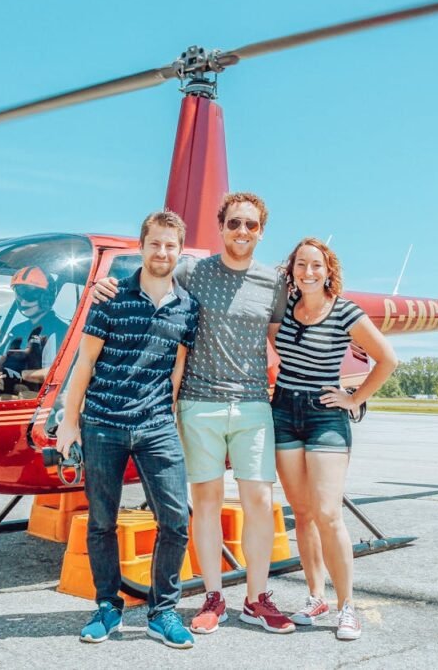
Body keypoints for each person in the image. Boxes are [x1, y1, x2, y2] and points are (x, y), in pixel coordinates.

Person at [93, 192, 295, 635]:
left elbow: (284, 341)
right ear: (221, 228)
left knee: (259, 501)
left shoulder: (273, 283)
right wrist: (105, 285)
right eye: (234, 224)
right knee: (204, 502)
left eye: (251, 225)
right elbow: (150, 274)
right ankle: (213, 596)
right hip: (199, 404)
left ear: (261, 231)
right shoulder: (192, 270)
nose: (242, 232)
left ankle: (257, 598)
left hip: (253, 404)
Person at [56, 210, 200, 649]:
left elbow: (176, 372)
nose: (162, 252)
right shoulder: (111, 298)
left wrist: (172, 421)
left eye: (171, 245)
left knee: (175, 521)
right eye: (155, 243)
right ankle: (107, 606)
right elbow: (85, 363)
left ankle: (163, 610)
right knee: (101, 521)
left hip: (156, 426)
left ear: (179, 250)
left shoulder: (187, 307)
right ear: (142, 246)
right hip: (103, 424)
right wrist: (69, 420)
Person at [269, 237, 398, 641]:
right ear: (291, 271)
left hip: (326, 414)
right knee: (302, 513)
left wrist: (354, 398)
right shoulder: (284, 310)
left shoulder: (345, 311)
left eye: (316, 266)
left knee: (327, 513)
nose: (308, 272)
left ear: (329, 272)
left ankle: (347, 606)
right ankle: (315, 596)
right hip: (284, 411)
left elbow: (388, 359)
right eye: (301, 265)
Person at [0, 265, 68, 397]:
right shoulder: (17, 330)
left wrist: (21, 375)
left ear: (46, 296)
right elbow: (2, 362)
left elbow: (59, 373)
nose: (22, 300)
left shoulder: (60, 331)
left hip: (40, 399)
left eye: (28, 293)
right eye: (19, 293)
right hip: (11, 393)